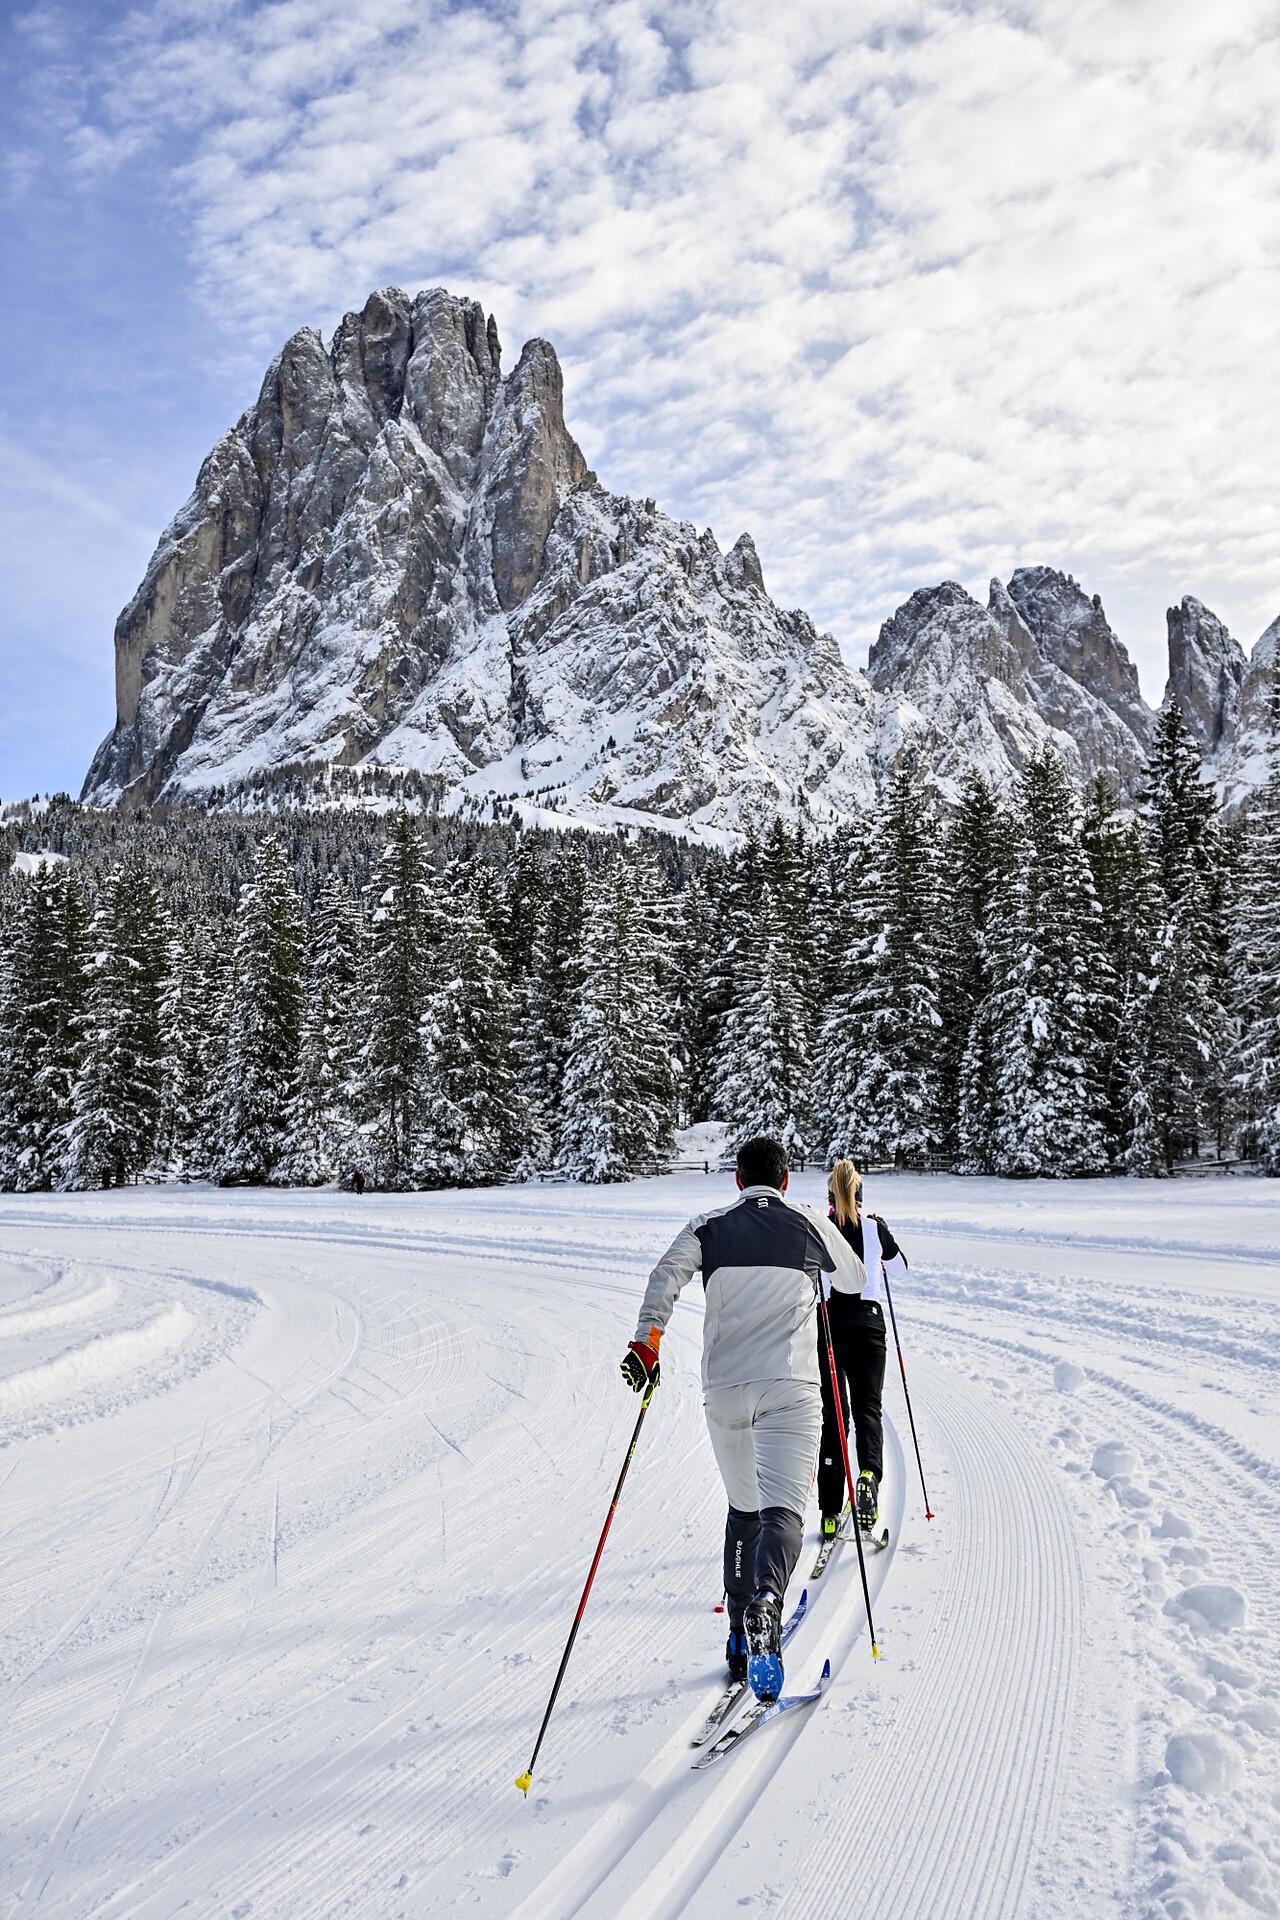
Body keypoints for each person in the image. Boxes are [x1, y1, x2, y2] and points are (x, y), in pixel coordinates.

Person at [620, 1135, 865, 1703]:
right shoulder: (805, 1221)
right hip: (792, 1388)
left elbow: (665, 1277)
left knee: (743, 1508)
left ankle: (735, 1636)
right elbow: (852, 1278)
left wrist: (648, 1342)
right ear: (784, 1181)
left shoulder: (709, 1226)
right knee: (784, 1509)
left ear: (737, 1180)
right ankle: (767, 1605)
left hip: (725, 1391)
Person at [816, 1159, 908, 1538]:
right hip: (869, 1324)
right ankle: (868, 1472)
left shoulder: (822, 1229)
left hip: (831, 1327)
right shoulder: (873, 1227)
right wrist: (881, 1243)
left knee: (834, 1416)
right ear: (861, 1196)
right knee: (868, 1406)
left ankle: (829, 1512)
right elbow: (900, 1269)